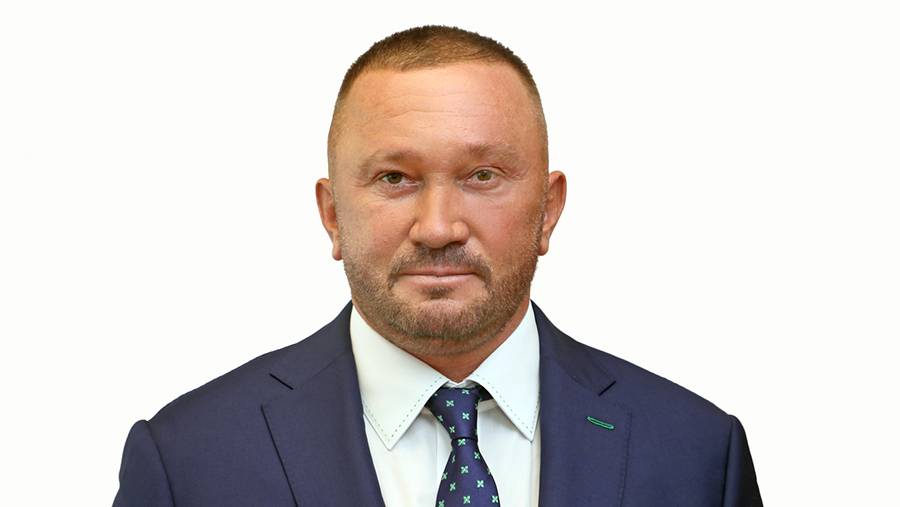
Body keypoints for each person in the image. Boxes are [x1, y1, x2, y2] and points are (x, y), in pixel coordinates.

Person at [113, 25, 762, 506]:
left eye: (482, 175)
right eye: (395, 178)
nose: (439, 227)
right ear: (332, 214)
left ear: (548, 210)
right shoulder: (187, 461)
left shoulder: (698, 454)